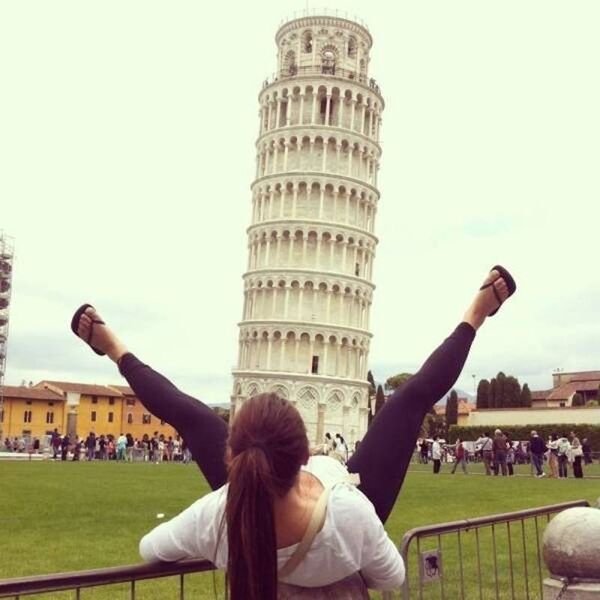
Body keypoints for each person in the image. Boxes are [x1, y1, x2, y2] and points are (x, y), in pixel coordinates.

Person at [70, 266, 515, 597]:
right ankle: (474, 316)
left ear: (233, 458)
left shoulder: (219, 516)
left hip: (252, 505)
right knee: (409, 400)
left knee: (192, 418)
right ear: (305, 454)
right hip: (338, 503)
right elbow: (392, 578)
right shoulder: (352, 513)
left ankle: (116, 349)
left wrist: (230, 544)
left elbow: (152, 548)